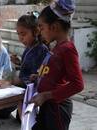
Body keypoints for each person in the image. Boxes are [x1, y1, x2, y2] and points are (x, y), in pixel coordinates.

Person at [30, 1, 84, 130]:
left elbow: (78, 84)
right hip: (48, 105)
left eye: (42, 28)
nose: (40, 32)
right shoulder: (57, 47)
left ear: (54, 27)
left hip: (57, 109)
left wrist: (46, 95)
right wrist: (39, 76)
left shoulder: (68, 49)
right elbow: (55, 72)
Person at [0, 12, 48, 89]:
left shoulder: (41, 50)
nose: (20, 38)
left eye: (23, 34)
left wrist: (12, 81)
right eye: (18, 34)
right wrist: (19, 63)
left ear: (36, 32)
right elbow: (28, 68)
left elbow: (37, 77)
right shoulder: (28, 48)